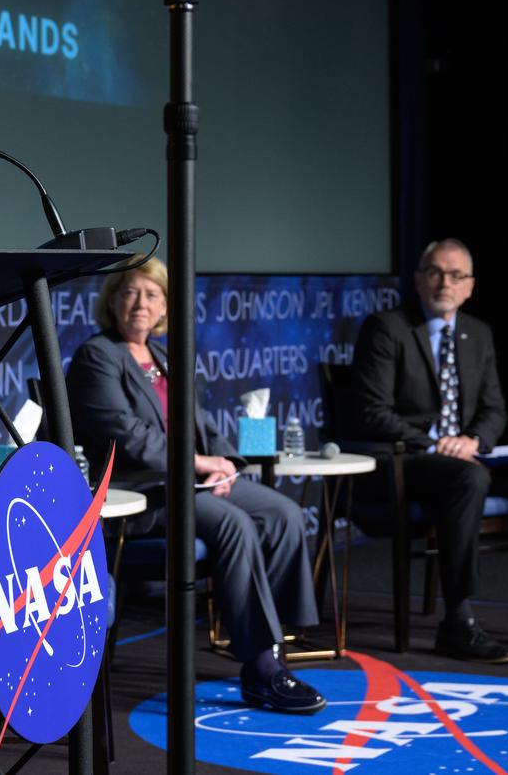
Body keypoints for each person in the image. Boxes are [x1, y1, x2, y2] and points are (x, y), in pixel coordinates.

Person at [65, 258, 325, 715]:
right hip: (141, 493)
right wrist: (199, 464)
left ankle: (281, 640)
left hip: (188, 480)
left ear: (165, 304)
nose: (140, 303)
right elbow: (126, 436)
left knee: (281, 513)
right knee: (233, 525)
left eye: (152, 294)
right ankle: (261, 667)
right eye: (130, 292)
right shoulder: (97, 357)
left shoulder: (164, 358)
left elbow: (200, 423)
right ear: (112, 301)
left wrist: (225, 464)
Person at [348, 238, 508, 663]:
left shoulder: (477, 333)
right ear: (419, 280)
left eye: (456, 275)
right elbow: (373, 412)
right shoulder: (386, 328)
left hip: (471, 456)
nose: (445, 282)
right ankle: (458, 622)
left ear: (470, 286)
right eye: (436, 272)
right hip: (409, 461)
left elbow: (494, 409)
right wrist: (436, 443)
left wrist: (475, 441)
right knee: (469, 476)